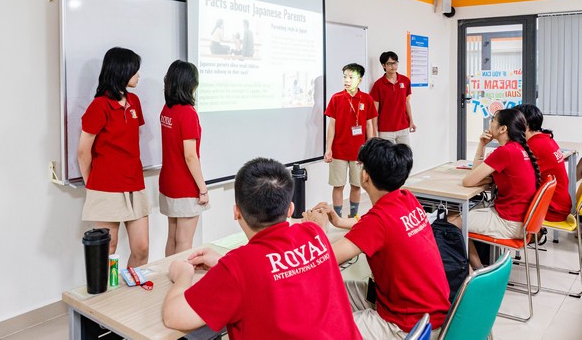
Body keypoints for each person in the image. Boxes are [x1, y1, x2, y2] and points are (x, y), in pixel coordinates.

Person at [162, 158, 361, 340]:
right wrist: (224, 262)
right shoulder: (314, 233)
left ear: (236, 212)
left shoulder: (238, 266)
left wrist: (183, 274)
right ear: (290, 209)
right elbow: (272, 269)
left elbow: (174, 316)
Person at [304, 138, 450, 340]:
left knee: (323, 331)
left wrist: (315, 228)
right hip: (430, 313)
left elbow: (323, 260)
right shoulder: (407, 198)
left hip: (406, 326)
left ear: (365, 176)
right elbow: (378, 225)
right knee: (330, 288)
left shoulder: (378, 222)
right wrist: (338, 221)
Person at [77, 47, 149, 267]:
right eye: (134, 70)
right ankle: (109, 289)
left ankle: (131, 284)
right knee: (109, 247)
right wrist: (92, 184)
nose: (138, 75)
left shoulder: (134, 101)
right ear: (121, 71)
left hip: (134, 183)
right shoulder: (99, 106)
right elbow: (83, 151)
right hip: (105, 187)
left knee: (142, 248)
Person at [451, 108, 541, 269]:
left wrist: (481, 147)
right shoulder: (519, 149)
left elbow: (468, 181)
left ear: (503, 128)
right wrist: (482, 145)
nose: (490, 124)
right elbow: (476, 174)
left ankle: (479, 270)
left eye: (493, 121)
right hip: (521, 222)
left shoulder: (505, 152)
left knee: (452, 220)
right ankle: (481, 266)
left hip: (509, 224)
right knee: (466, 212)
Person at [159, 60, 209, 257]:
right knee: (184, 240)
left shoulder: (167, 109)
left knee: (172, 237)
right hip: (185, 185)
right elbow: (190, 155)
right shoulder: (188, 113)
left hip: (168, 182)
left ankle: (169, 273)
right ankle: (180, 274)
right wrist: (203, 189)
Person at [324, 63, 377, 218]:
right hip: (338, 151)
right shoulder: (336, 98)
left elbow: (369, 125)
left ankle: (353, 216)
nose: (347, 80)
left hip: (359, 152)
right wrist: (328, 149)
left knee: (356, 185)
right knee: (338, 185)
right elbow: (331, 126)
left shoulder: (366, 99)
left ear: (360, 79)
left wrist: (370, 149)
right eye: (345, 77)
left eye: (351, 77)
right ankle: (337, 217)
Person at [515, 104, 570, 222]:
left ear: (525, 125)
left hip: (551, 209)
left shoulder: (534, 146)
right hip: (560, 204)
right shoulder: (545, 138)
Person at [369, 51, 416, 145]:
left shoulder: (405, 81)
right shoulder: (378, 85)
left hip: (403, 127)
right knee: (387, 155)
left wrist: (411, 121)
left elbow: (407, 102)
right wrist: (374, 130)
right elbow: (375, 110)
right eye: (389, 64)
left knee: (405, 154)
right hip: (385, 130)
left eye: (395, 63)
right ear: (383, 65)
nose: (393, 66)